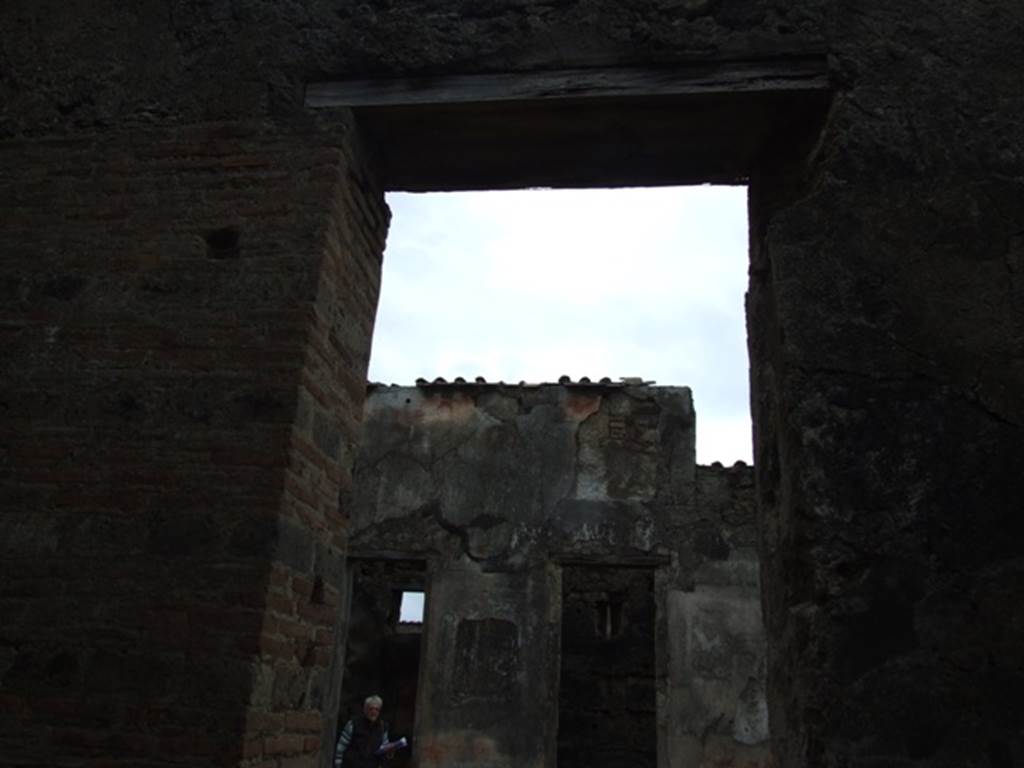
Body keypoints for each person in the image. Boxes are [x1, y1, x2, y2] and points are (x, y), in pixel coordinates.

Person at [334, 695, 389, 768]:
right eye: (371, 709)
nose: (374, 712)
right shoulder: (353, 724)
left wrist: (389, 752)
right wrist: (338, 765)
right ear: (365, 709)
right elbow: (340, 747)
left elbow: (384, 749)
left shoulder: (382, 727)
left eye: (377, 709)